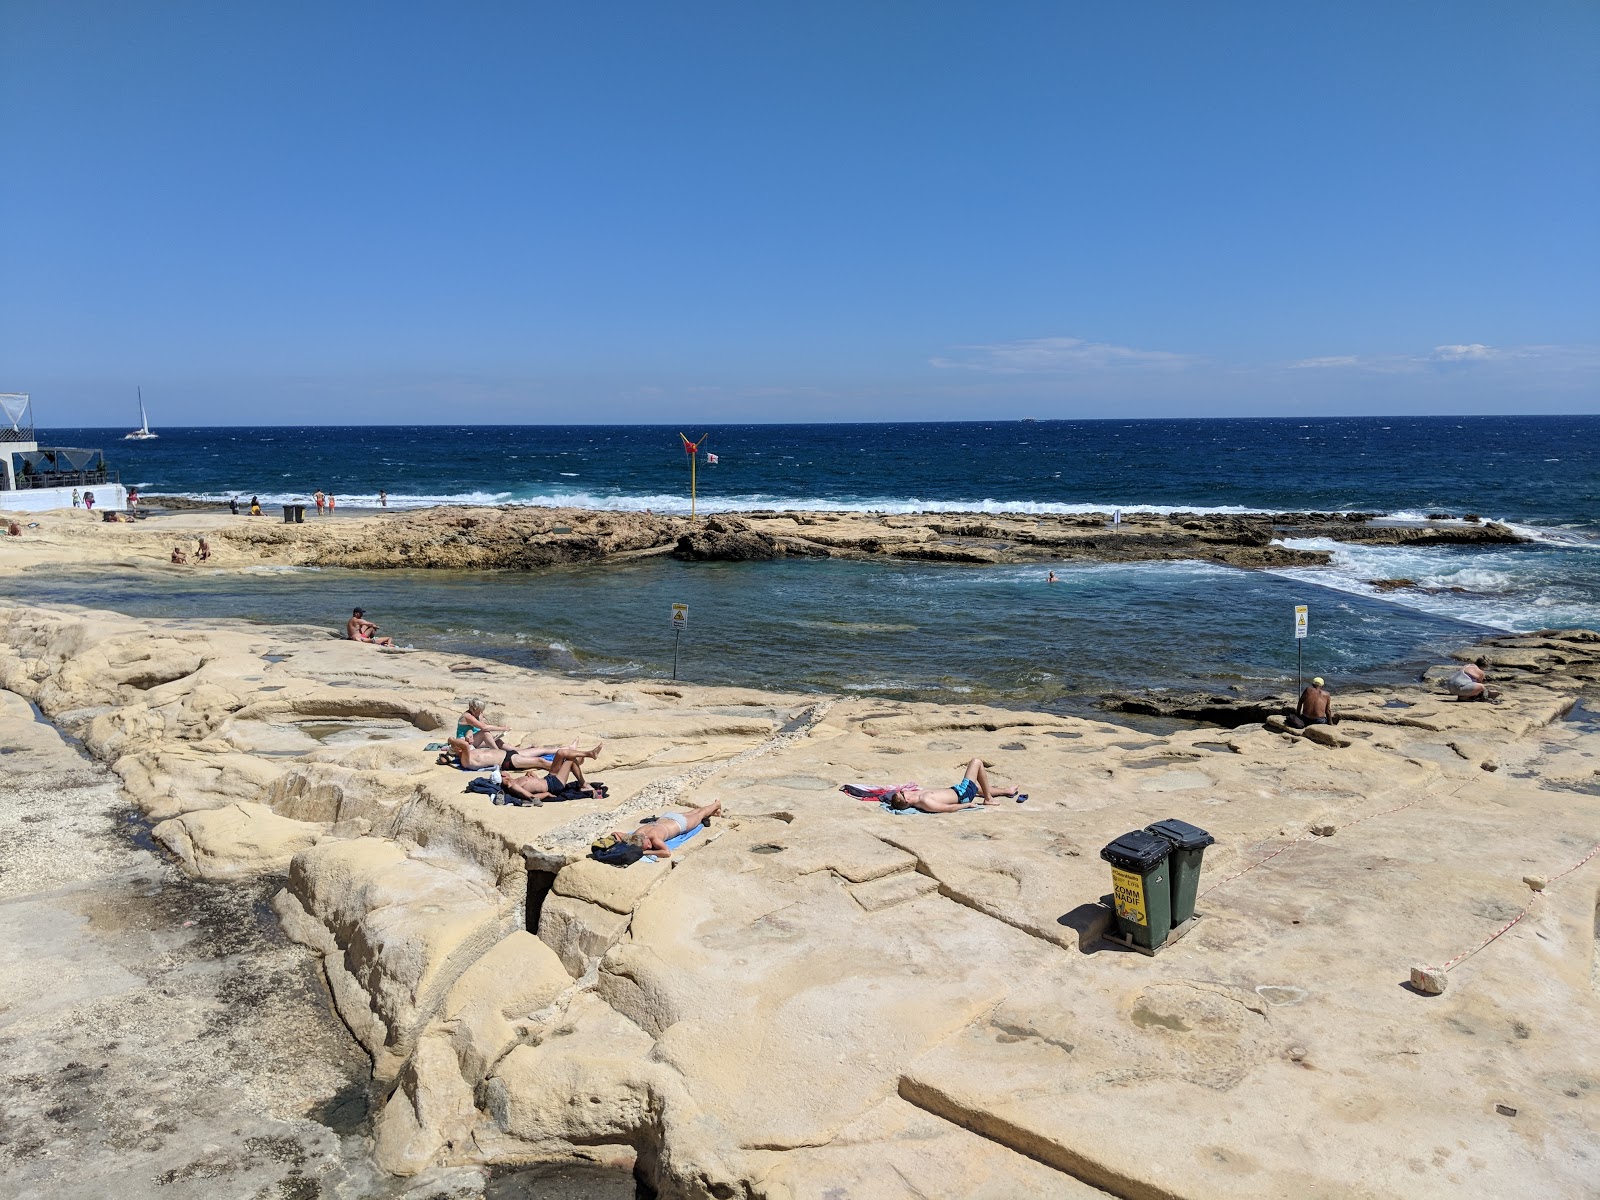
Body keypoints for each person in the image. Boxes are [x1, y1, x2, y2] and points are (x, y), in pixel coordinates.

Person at [882, 758, 1021, 812]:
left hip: (958, 790)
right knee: (976, 762)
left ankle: (1006, 791)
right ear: (907, 800)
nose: (904, 791)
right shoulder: (925, 801)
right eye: (902, 793)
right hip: (963, 794)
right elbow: (948, 808)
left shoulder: (915, 795)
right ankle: (989, 799)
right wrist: (967, 805)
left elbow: (891, 797)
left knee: (978, 788)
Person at [603, 800, 722, 856]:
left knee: (699, 815)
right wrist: (614, 843)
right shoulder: (636, 834)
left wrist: (644, 852)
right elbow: (616, 833)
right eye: (648, 846)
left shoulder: (653, 839)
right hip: (668, 818)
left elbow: (666, 852)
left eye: (648, 844)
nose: (650, 846)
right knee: (693, 813)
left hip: (679, 824)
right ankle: (714, 811)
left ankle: (716, 804)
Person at [445, 736, 602, 774]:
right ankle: (570, 765)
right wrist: (451, 740)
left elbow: (466, 743)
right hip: (508, 761)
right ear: (458, 751)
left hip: (508, 753)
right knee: (539, 761)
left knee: (540, 749)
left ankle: (569, 748)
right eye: (457, 748)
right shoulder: (466, 760)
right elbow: (464, 744)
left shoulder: (469, 752)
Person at [501, 753, 611, 805]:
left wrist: (531, 775)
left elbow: (535, 785)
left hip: (548, 779)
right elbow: (532, 797)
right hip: (553, 785)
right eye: (502, 774)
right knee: (570, 758)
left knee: (560, 753)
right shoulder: (513, 785)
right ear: (503, 777)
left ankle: (589, 753)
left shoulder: (515, 780)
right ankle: (583, 785)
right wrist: (547, 795)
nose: (504, 773)